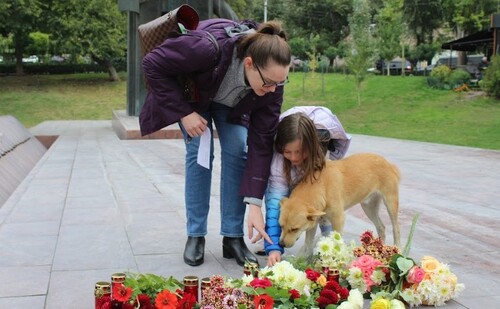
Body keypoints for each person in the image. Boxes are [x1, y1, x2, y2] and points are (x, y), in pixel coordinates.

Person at [139, 18, 291, 267]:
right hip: (196, 97)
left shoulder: (271, 85)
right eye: (269, 83)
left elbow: (261, 143)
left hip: (231, 104)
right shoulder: (205, 48)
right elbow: (152, 64)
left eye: (280, 83)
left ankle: (233, 237)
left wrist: (254, 204)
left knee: (237, 150)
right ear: (249, 63)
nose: (274, 89)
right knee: (200, 151)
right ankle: (195, 234)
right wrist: (183, 113)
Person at [263, 106, 351, 267]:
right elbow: (276, 204)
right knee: (285, 201)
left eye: (299, 152)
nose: (294, 158)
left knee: (320, 200)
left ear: (311, 148)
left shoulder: (325, 149)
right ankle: (273, 240)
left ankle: (328, 250)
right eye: (288, 152)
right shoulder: (278, 164)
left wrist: (331, 243)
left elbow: (324, 198)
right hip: (290, 166)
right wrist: (274, 247)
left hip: (321, 145)